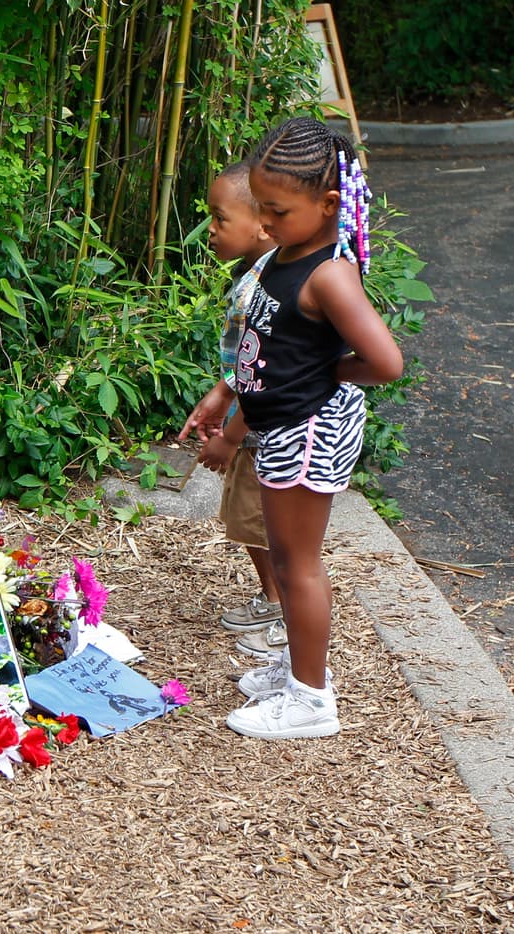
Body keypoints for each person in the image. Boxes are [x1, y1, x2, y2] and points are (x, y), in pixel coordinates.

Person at [220, 117, 403, 740]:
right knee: (287, 553)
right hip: (284, 426)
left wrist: (328, 372)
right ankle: (296, 665)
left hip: (307, 434)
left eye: (276, 211)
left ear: (328, 205)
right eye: (262, 209)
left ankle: (309, 698)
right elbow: (266, 348)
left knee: (298, 564)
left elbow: (386, 361)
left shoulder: (329, 274)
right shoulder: (288, 252)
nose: (264, 223)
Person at [179, 161, 283, 654]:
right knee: (248, 521)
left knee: (264, 524)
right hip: (254, 425)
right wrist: (222, 392)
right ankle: (274, 598)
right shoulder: (256, 276)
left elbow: (267, 373)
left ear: (262, 223)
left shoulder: (270, 288)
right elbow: (246, 360)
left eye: (219, 218)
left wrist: (232, 434)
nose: (211, 230)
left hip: (267, 433)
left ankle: (284, 615)